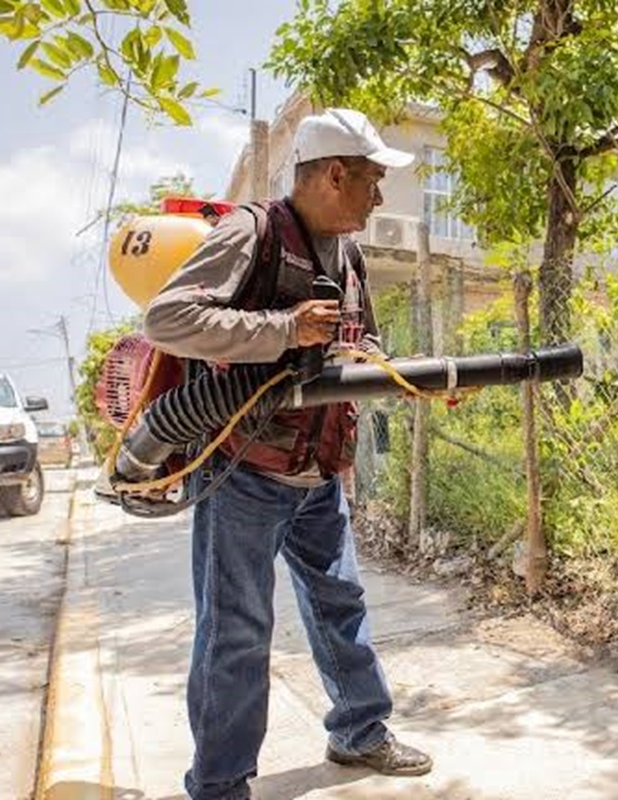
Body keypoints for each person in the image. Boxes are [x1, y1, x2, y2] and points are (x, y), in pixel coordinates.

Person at [143, 108, 431, 800]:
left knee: (340, 603)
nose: (379, 196)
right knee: (238, 632)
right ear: (333, 174)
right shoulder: (253, 232)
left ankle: (359, 731)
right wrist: (282, 328)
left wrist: (395, 371)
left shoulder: (349, 254)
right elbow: (168, 318)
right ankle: (219, 784)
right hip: (245, 471)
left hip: (318, 472)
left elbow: (363, 344)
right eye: (371, 180)